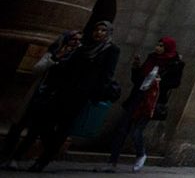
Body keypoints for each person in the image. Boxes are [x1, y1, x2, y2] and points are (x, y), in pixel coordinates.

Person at [29, 21, 120, 172]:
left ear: (109, 33)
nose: (99, 33)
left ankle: (43, 160)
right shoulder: (84, 47)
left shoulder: (111, 50)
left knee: (64, 126)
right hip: (64, 90)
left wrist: (96, 93)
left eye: (103, 30)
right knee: (44, 119)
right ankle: (52, 148)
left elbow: (107, 74)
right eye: (97, 30)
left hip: (82, 94)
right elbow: (68, 66)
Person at [0, 31, 81, 169]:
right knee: (18, 126)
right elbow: (36, 69)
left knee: (34, 131)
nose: (75, 42)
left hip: (53, 98)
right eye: (73, 39)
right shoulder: (53, 53)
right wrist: (56, 58)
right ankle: (5, 156)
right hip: (37, 94)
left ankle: (17, 157)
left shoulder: (77, 58)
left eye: (78, 40)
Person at [108, 37, 184, 172]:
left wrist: (160, 81)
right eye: (157, 45)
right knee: (122, 128)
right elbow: (137, 79)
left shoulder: (175, 63)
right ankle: (111, 162)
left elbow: (175, 83)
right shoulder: (152, 59)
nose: (158, 48)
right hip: (138, 96)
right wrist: (135, 68)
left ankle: (141, 154)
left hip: (152, 100)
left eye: (161, 46)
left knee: (136, 131)